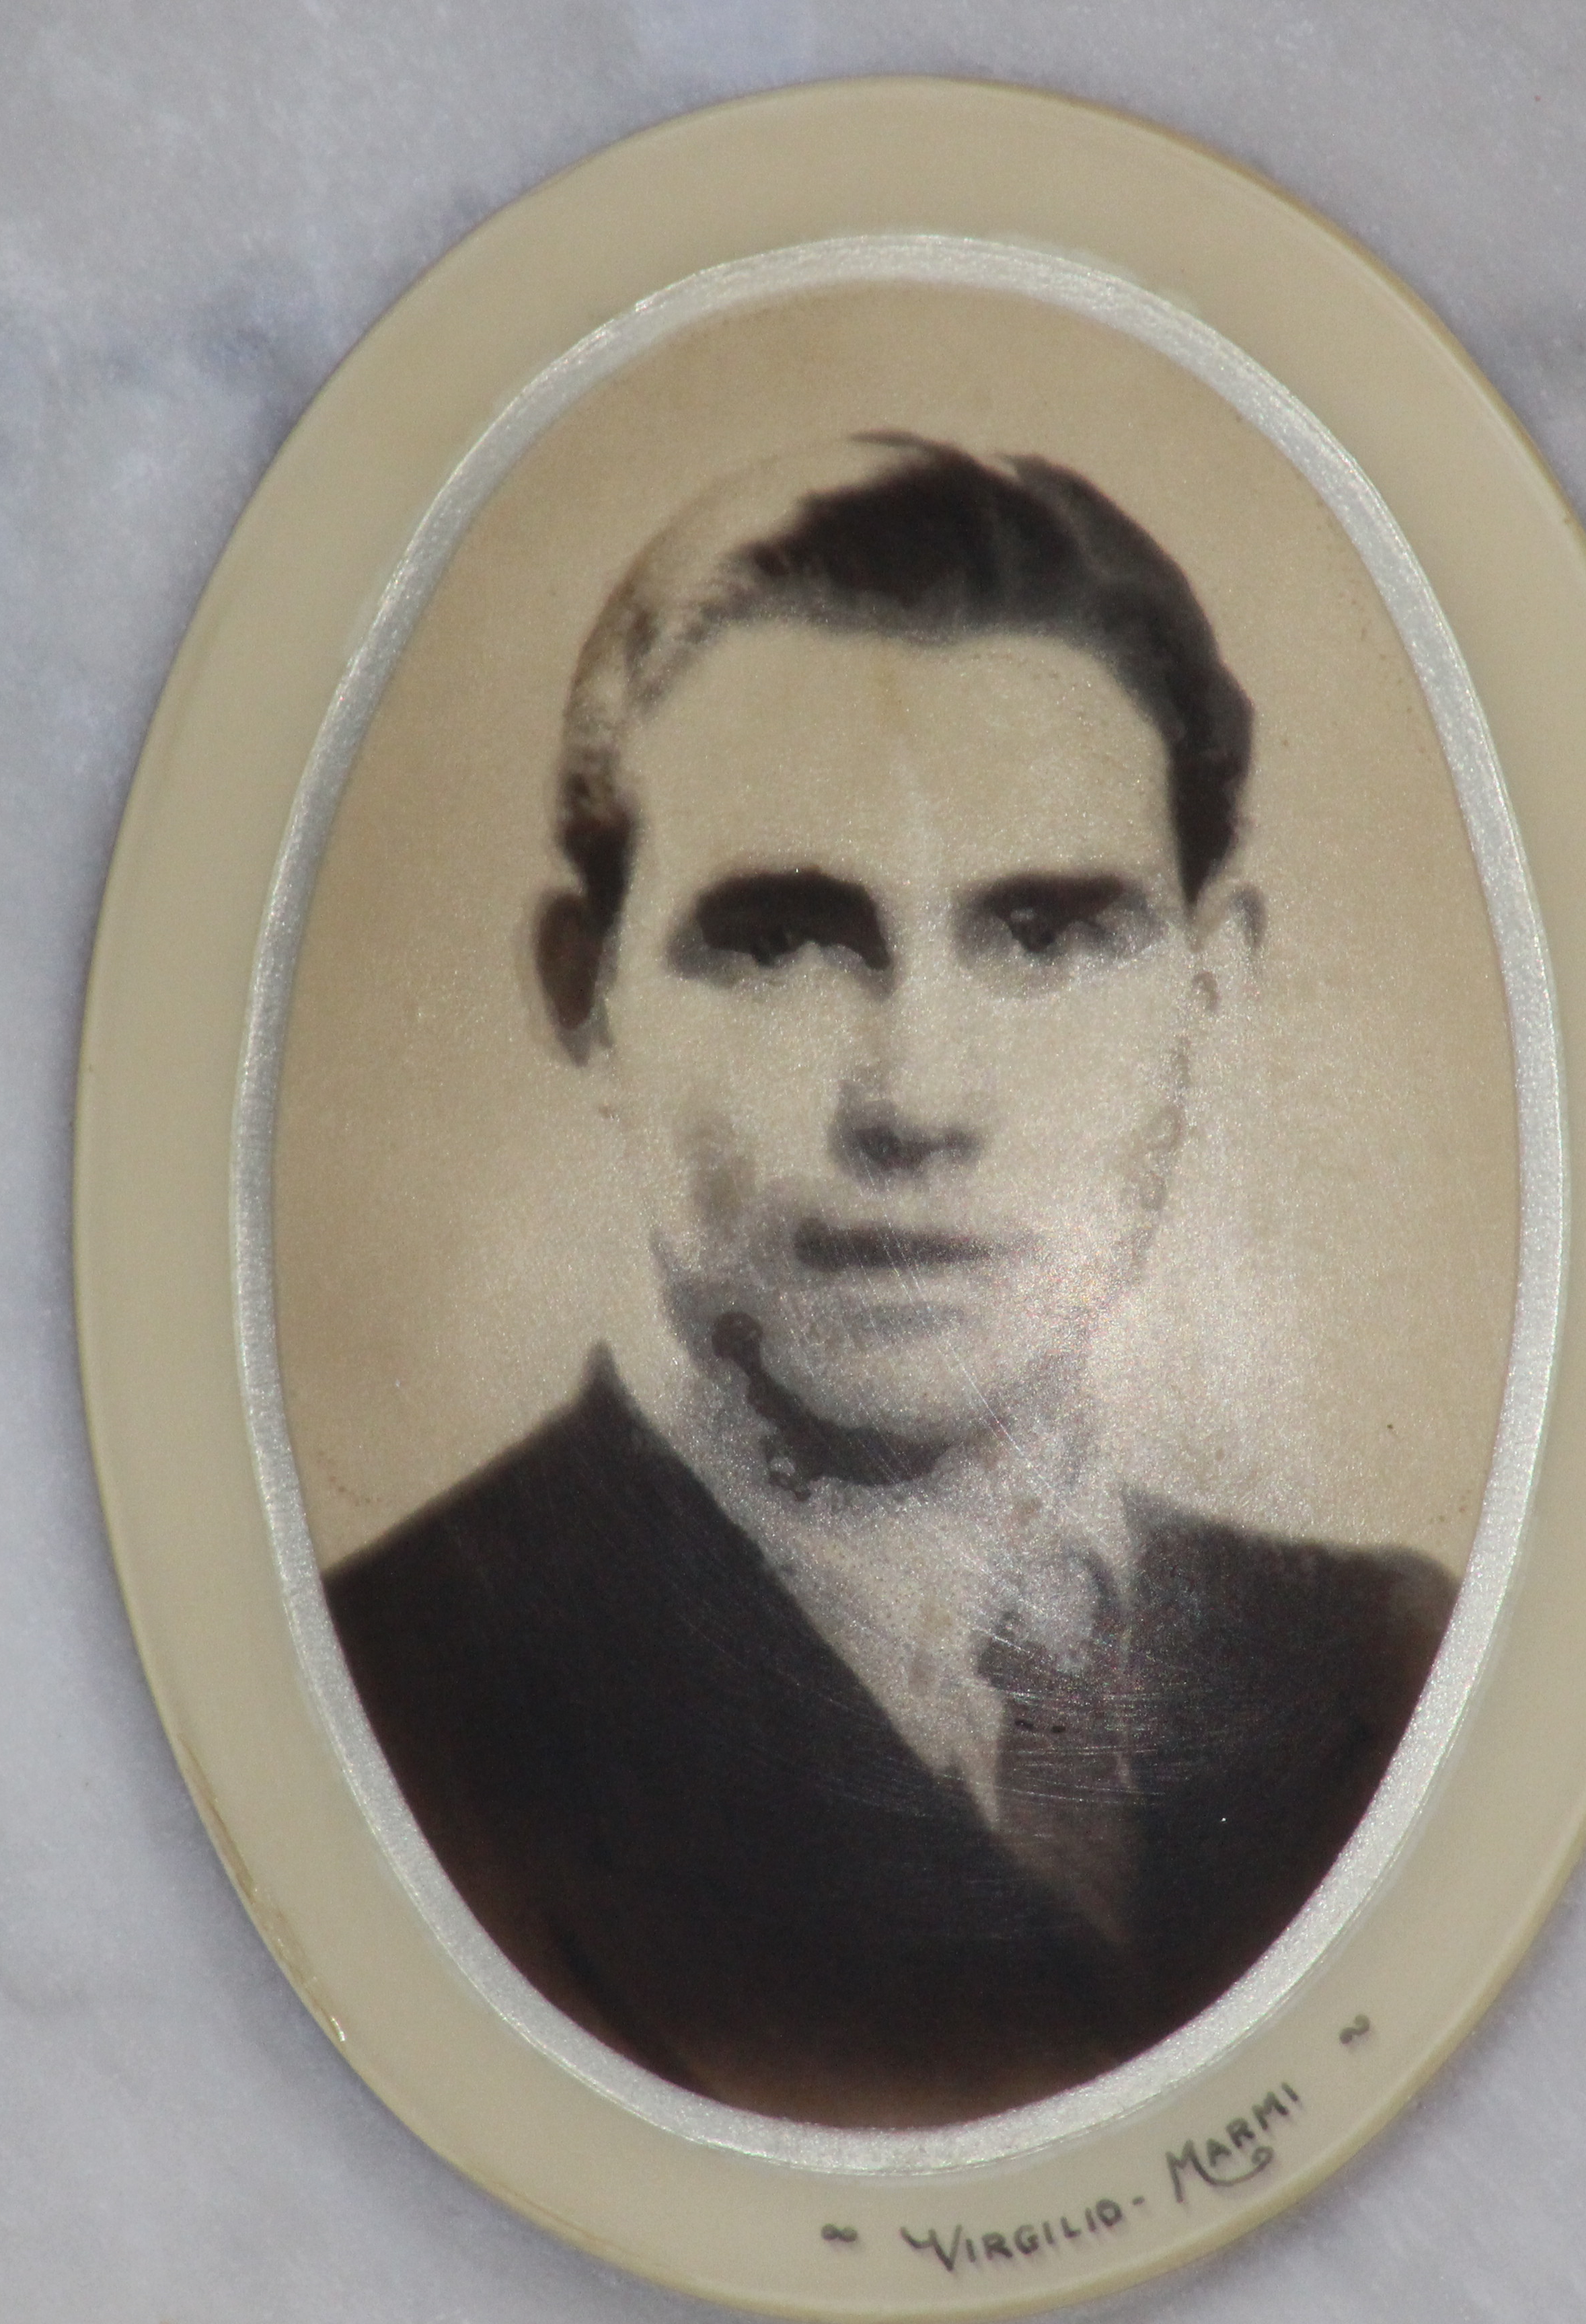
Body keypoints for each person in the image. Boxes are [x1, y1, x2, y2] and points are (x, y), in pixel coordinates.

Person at [328, 434, 1451, 2129]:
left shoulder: (1393, 1673)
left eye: (1046, 936)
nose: (918, 1102)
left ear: (1210, 994)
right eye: (785, 940)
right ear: (588, 996)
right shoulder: (388, 1715)